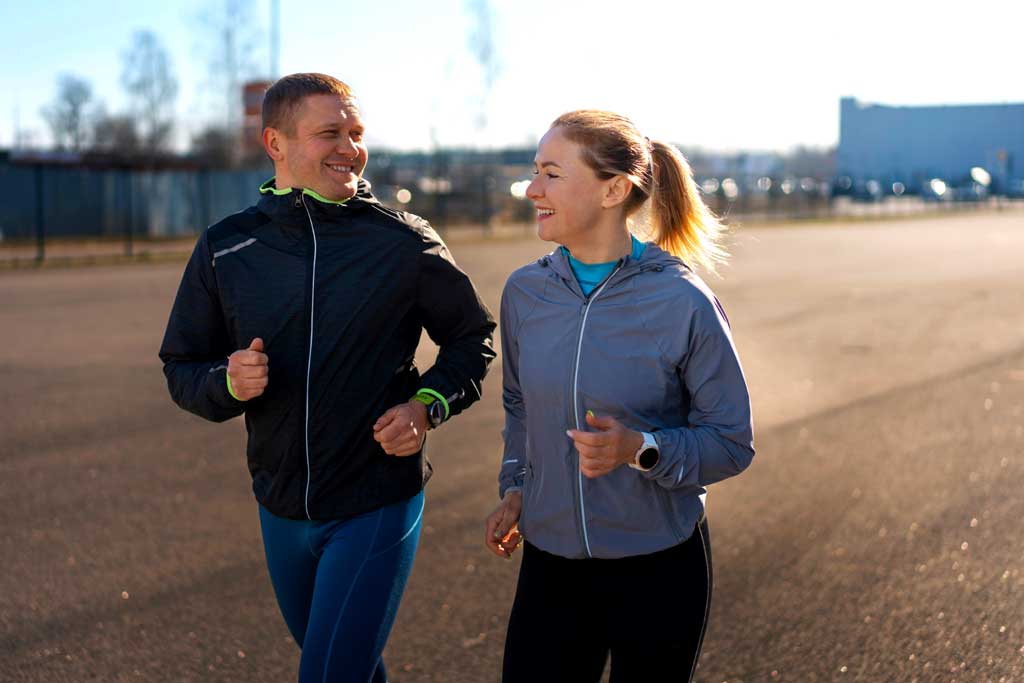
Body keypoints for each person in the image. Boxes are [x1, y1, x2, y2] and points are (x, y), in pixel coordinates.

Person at [160, 72, 496, 683]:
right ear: (276, 143)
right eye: (329, 133)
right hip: (280, 507)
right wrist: (227, 384)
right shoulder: (227, 247)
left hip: (375, 501)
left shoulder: (404, 242)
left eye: (356, 132)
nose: (350, 147)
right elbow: (181, 367)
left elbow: (473, 337)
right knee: (351, 669)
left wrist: (427, 405)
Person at [485, 110, 755, 682]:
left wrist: (642, 448)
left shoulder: (682, 301)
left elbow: (731, 441)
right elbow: (518, 406)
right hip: (550, 567)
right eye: (535, 171)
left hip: (658, 567)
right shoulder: (525, 292)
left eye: (552, 174)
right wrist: (516, 486)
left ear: (614, 189)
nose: (532, 189)